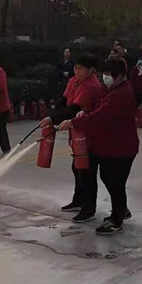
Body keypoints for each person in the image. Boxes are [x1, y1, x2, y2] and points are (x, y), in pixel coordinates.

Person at [58, 58, 139, 235]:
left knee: (114, 181)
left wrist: (73, 122)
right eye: (105, 74)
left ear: (121, 75)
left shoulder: (121, 94)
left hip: (121, 147)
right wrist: (85, 112)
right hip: (110, 145)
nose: (105, 77)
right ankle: (121, 210)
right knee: (110, 179)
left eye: (109, 74)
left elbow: (100, 117)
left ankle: (116, 219)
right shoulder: (112, 89)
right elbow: (97, 107)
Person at [42, 54, 105, 220]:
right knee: (77, 168)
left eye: (81, 69)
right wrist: (51, 115)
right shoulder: (73, 81)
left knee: (86, 171)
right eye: (75, 68)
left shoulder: (92, 85)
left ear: (90, 70)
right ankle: (78, 200)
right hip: (77, 134)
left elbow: (74, 108)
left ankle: (88, 209)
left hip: (89, 135)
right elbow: (64, 101)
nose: (77, 71)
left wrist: (53, 119)